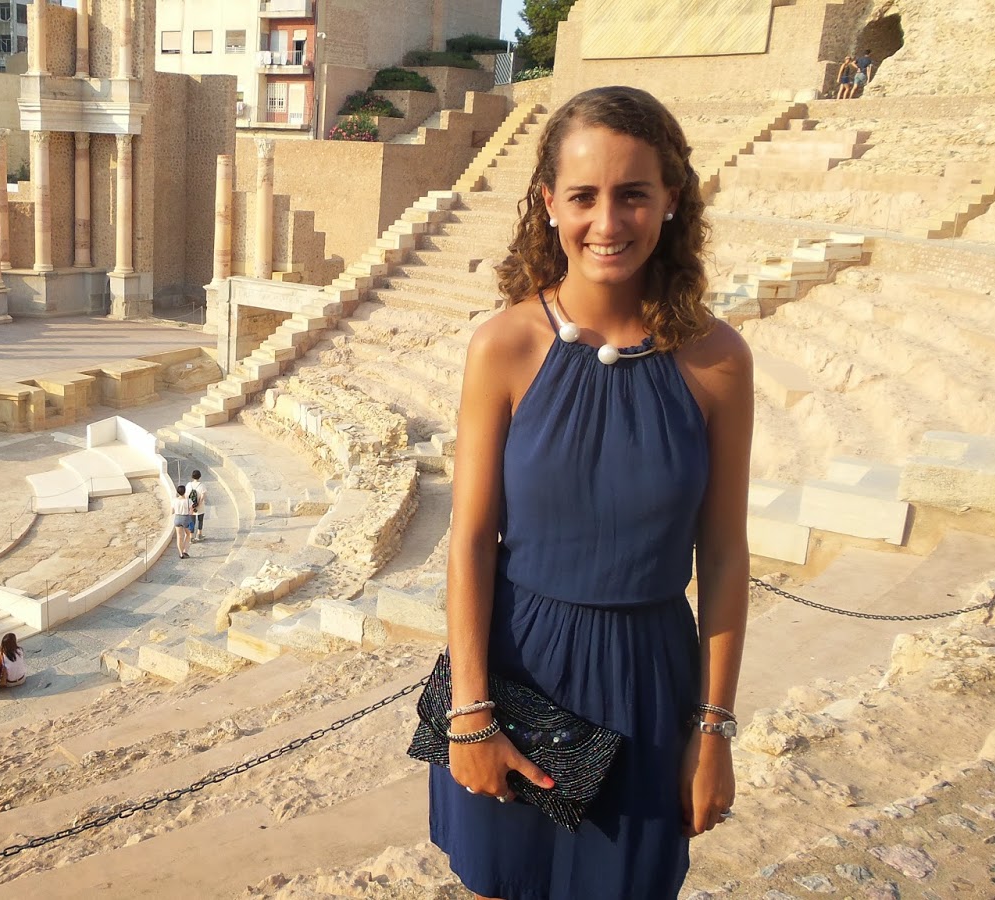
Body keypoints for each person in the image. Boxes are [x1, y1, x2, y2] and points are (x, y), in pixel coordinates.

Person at [431, 86, 752, 899]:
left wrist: (714, 729)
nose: (607, 223)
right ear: (548, 203)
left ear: (671, 199)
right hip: (516, 676)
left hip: (647, 684)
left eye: (633, 194)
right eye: (583, 196)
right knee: (503, 885)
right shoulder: (504, 346)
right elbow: (470, 540)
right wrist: (470, 714)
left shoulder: (718, 362)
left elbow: (723, 555)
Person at [171, 484, 194, 559]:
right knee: (188, 534)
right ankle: (185, 550)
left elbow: (172, 511)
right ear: (185, 491)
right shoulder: (188, 501)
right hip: (185, 518)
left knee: (179, 536)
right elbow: (191, 512)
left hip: (177, 518)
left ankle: (180, 553)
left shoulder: (174, 500)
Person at [184, 470, 206, 542]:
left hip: (191, 506)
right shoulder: (202, 485)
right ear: (200, 476)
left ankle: (191, 537)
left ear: (192, 476)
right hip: (200, 506)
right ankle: (199, 534)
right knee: (200, 520)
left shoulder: (188, 485)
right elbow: (202, 496)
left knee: (192, 521)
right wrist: (199, 503)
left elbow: (186, 495)